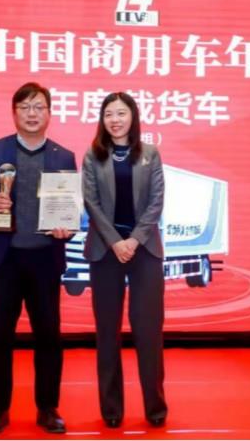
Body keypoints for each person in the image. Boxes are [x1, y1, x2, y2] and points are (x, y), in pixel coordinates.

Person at [0, 82, 76, 435]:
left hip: (45, 260)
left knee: (49, 337)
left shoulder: (63, 156)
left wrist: (67, 228)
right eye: (24, 107)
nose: (31, 113)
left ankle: (48, 408)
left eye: (38, 107)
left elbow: (69, 208)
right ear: (14, 113)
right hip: (4, 260)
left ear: (49, 113)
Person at [81, 92, 168, 428]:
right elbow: (91, 203)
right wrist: (116, 242)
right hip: (105, 251)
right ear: (102, 120)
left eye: (121, 113)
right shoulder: (93, 156)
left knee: (149, 331)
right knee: (107, 332)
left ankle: (155, 407)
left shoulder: (150, 153)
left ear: (133, 117)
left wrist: (133, 240)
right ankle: (111, 408)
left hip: (144, 250)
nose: (114, 120)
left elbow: (157, 202)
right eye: (108, 114)